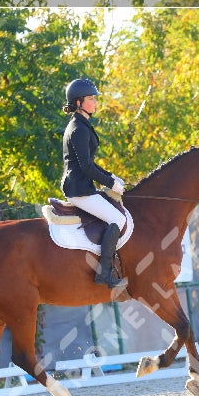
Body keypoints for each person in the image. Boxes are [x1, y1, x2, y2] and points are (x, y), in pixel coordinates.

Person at [60, 78, 128, 290]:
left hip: (82, 185)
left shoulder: (81, 124)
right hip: (78, 189)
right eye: (91, 99)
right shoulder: (78, 129)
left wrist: (111, 177)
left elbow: (89, 163)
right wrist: (110, 182)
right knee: (116, 218)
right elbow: (86, 167)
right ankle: (104, 274)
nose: (95, 102)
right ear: (78, 102)